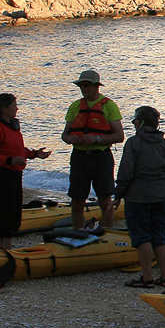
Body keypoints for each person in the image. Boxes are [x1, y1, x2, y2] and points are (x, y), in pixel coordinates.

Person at [114, 106, 165, 289]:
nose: (134, 124)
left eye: (135, 121)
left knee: (142, 237)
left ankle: (147, 277)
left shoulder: (133, 143)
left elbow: (126, 173)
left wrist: (118, 195)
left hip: (138, 197)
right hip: (162, 196)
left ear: (140, 122)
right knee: (160, 236)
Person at [0, 93, 51, 250]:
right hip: (0, 175)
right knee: (1, 213)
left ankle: (6, 247)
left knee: (12, 214)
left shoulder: (12, 127)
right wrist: (9, 160)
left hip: (14, 174)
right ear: (4, 108)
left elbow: (16, 150)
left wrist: (34, 154)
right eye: (14, 106)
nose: (16, 109)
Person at [61, 69, 124, 230]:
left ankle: (106, 232)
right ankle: (78, 232)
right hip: (79, 157)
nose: (84, 89)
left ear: (96, 86)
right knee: (77, 201)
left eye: (87, 86)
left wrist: (96, 139)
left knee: (105, 200)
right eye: (82, 86)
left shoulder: (109, 106)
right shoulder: (75, 107)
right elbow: (65, 134)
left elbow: (119, 136)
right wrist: (71, 139)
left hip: (101, 157)